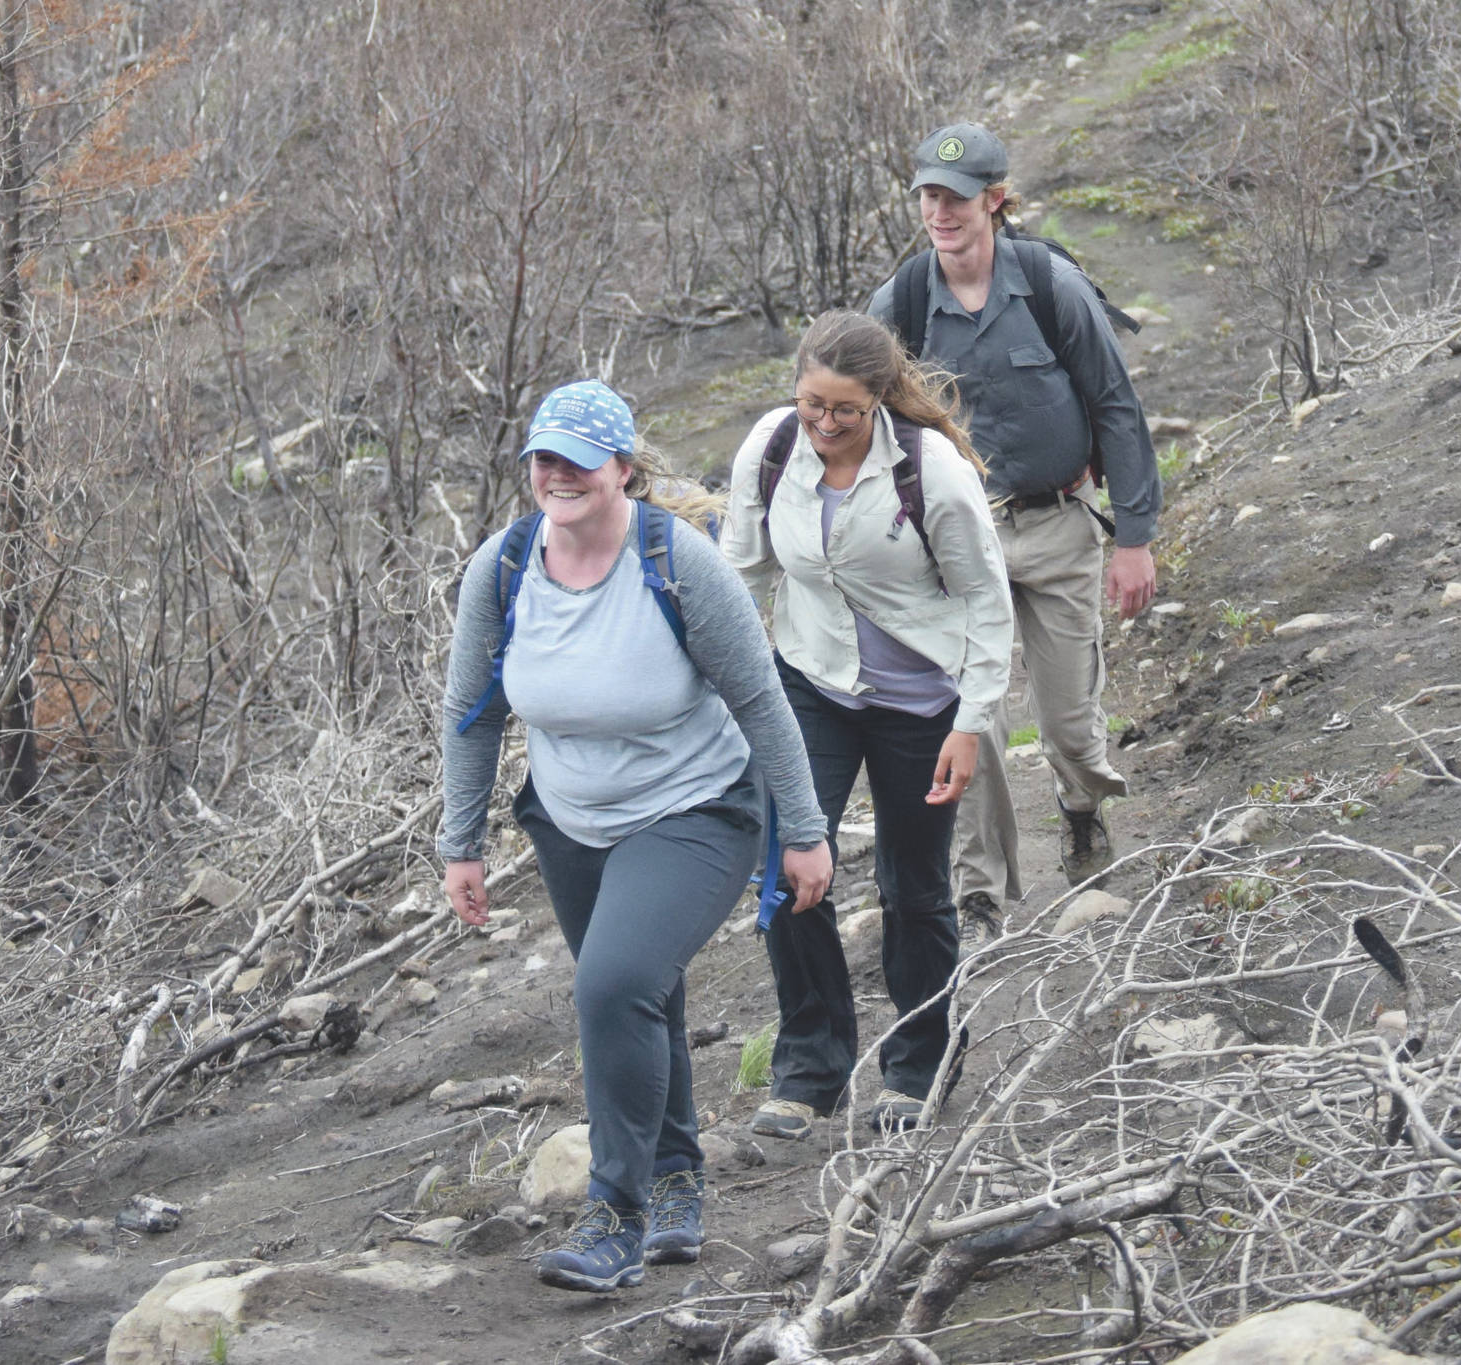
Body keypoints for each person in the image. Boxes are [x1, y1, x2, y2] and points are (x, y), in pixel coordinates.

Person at [439, 380, 833, 1293]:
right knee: (640, 998)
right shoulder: (502, 570)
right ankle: (678, 1178)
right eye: (544, 458)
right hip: (571, 818)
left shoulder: (676, 560)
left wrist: (803, 831)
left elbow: (763, 701)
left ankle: (614, 1218)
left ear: (623, 468)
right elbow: (472, 713)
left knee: (612, 984)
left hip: (695, 807)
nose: (558, 475)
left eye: (580, 459)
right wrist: (462, 842)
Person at [868, 121, 1162, 941]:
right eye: (928, 195)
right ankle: (982, 894)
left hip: (1059, 522)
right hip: (958, 546)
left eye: (957, 197)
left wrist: (1133, 536)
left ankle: (1079, 809)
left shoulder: (1047, 283)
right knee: (975, 722)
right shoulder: (899, 303)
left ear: (996, 201)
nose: (940, 211)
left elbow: (1114, 403)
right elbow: (855, 420)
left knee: (1070, 715)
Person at [722, 311, 1013, 1137]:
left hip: (921, 700)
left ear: (880, 399)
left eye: (844, 410)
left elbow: (989, 607)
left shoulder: (935, 476)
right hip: (810, 680)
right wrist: (727, 697)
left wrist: (970, 724)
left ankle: (918, 1066)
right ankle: (809, 1067)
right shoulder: (772, 451)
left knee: (911, 884)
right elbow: (738, 574)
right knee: (789, 865)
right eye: (811, 403)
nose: (823, 424)